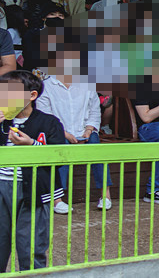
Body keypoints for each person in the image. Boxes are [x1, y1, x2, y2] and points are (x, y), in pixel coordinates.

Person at [0, 69, 65, 271]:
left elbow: (58, 158)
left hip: (34, 191)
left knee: (30, 244)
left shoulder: (49, 123)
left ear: (32, 95)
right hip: (2, 189)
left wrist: (30, 145)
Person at [36, 46, 113, 213]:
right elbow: (46, 117)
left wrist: (89, 129)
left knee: (97, 149)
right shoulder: (46, 86)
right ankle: (57, 199)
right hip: (59, 132)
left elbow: (94, 110)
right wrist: (66, 134)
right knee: (60, 148)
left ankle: (105, 195)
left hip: (84, 130)